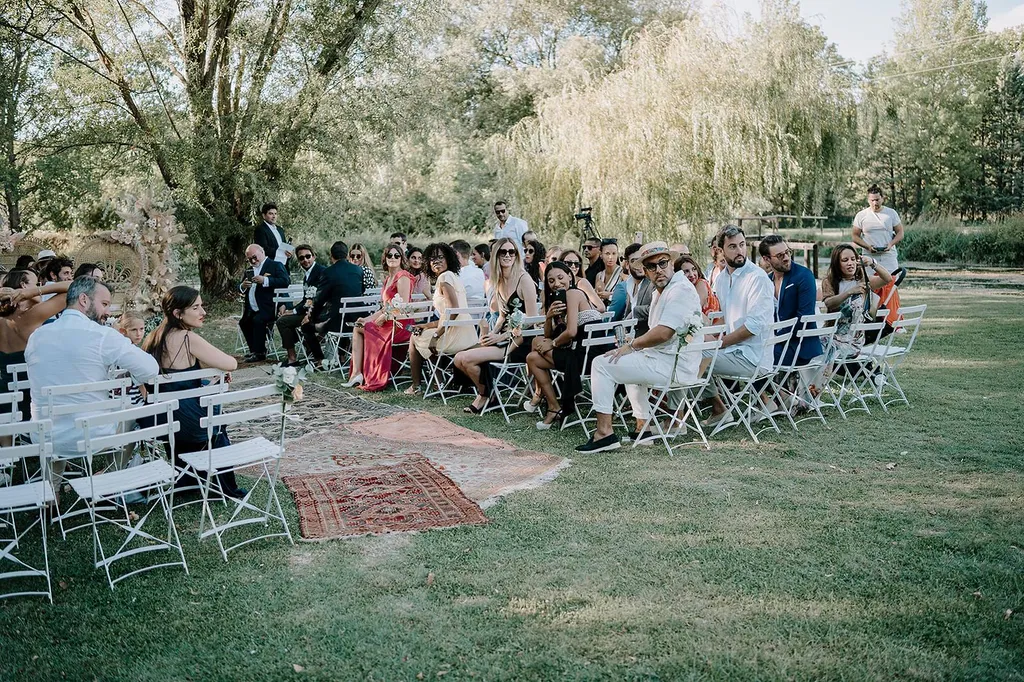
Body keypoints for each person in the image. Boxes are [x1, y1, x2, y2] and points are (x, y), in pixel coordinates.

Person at [26, 277, 158, 483]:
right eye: (104, 304)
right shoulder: (102, 335)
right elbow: (151, 370)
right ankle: (112, 478)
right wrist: (132, 378)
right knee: (131, 412)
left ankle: (52, 489)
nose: (107, 312)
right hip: (93, 436)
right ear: (84, 300)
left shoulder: (37, 336)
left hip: (44, 437)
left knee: (57, 422)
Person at [576, 242, 703, 453]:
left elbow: (664, 333)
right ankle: (643, 429)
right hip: (667, 360)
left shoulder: (679, 289)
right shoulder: (661, 291)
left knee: (600, 364)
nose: (658, 270)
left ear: (671, 264)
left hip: (674, 367)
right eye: (651, 266)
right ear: (645, 271)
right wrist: (633, 343)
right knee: (621, 361)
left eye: (662, 263)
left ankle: (604, 434)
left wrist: (632, 345)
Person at [142, 286, 244, 498]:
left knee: (201, 410)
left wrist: (210, 370)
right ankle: (224, 487)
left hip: (159, 419)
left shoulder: (153, 337)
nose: (203, 312)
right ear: (178, 313)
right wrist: (219, 370)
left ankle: (188, 478)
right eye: (196, 307)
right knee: (215, 419)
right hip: (189, 421)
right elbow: (231, 363)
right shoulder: (187, 338)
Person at [454, 237, 539, 412]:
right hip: (503, 336)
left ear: (516, 255)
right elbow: (502, 316)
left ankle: (485, 396)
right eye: (503, 252)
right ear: (496, 255)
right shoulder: (499, 280)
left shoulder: (524, 279)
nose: (507, 255)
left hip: (521, 341)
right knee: (458, 358)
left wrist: (502, 337)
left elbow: (532, 319)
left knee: (466, 359)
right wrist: (492, 333)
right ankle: (487, 394)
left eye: (511, 251)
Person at [706, 225, 775, 421]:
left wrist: (718, 343)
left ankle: (716, 410)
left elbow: (752, 328)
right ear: (720, 250)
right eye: (733, 246)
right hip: (733, 351)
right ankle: (717, 408)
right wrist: (702, 335)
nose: (740, 251)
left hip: (753, 357)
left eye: (742, 245)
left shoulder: (757, 278)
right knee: (690, 351)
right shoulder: (721, 279)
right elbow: (724, 318)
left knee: (692, 358)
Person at [526, 262, 603, 429]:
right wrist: (549, 317)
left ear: (569, 276)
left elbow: (571, 332)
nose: (556, 283)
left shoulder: (573, 293)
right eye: (551, 280)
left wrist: (552, 344)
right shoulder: (560, 299)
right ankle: (552, 406)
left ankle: (548, 403)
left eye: (560, 277)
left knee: (534, 353)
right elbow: (548, 335)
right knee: (533, 356)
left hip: (586, 357)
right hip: (581, 353)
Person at [405, 243, 478, 395]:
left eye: (440, 257)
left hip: (456, 336)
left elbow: (454, 312)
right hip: (467, 333)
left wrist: (436, 335)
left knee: (414, 338)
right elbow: (449, 315)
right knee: (422, 333)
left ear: (448, 259)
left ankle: (417, 386)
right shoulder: (452, 276)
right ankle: (438, 381)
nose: (436, 261)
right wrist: (427, 326)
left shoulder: (445, 278)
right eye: (432, 259)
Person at [0, 270, 73, 422]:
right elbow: (74, 288)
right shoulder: (31, 316)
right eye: (36, 284)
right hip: (31, 392)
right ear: (23, 286)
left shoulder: (4, 318)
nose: (39, 287)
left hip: (6, 393)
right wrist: (35, 292)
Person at [343, 245, 416, 390]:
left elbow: (403, 305)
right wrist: (367, 319)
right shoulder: (388, 279)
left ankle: (358, 374)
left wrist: (385, 316)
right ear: (385, 258)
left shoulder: (403, 277)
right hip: (388, 321)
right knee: (359, 325)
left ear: (401, 259)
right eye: (390, 255)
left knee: (359, 330)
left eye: (396, 255)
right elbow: (384, 307)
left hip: (399, 325)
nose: (393, 258)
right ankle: (357, 373)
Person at [821, 244, 893, 358]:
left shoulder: (862, 280)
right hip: (832, 332)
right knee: (812, 344)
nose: (850, 263)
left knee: (826, 347)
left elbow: (888, 279)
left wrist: (873, 263)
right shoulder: (829, 281)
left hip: (853, 339)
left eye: (853, 259)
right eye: (845, 260)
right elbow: (829, 303)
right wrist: (849, 292)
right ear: (836, 263)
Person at [303, 241, 365, 368]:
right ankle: (342, 356)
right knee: (342, 314)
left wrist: (311, 317)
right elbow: (362, 290)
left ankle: (320, 360)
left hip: (337, 323)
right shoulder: (358, 270)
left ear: (331, 256)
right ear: (347, 255)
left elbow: (319, 300)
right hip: (357, 320)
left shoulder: (328, 272)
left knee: (306, 327)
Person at [759, 235, 819, 365]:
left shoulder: (804, 275)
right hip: (775, 343)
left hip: (799, 346)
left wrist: (776, 338)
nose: (786, 258)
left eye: (787, 252)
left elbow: (805, 316)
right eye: (780, 256)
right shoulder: (767, 280)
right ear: (766, 259)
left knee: (758, 357)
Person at [852, 184, 905, 324]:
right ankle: (869, 318)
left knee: (891, 285)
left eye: (877, 199)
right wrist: (867, 246)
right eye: (872, 200)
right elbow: (855, 236)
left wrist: (890, 244)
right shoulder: (862, 215)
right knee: (869, 286)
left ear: (882, 198)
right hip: (869, 256)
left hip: (888, 256)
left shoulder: (891, 213)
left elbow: (900, 233)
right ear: (868, 200)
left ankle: (893, 320)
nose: (875, 203)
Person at [275, 244, 327, 366]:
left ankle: (293, 357)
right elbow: (306, 300)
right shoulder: (308, 274)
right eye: (301, 258)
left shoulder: (321, 272)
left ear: (314, 256)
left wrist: (295, 312)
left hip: (321, 313)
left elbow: (320, 299)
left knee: (282, 322)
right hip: (311, 311)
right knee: (284, 318)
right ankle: (305, 348)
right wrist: (290, 311)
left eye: (308, 256)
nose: (305, 260)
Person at [238, 243, 290, 363]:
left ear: (262, 252)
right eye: (249, 259)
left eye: (254, 257)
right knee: (244, 322)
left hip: (269, 306)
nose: (253, 261)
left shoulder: (275, 265)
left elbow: (285, 281)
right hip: (252, 307)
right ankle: (254, 350)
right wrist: (243, 286)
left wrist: (265, 280)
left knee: (258, 320)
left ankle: (260, 353)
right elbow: (240, 287)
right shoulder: (249, 270)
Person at [608, 243, 654, 332]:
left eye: (641, 261)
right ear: (627, 264)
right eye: (634, 261)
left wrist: (634, 311)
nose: (639, 266)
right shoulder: (628, 284)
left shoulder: (653, 283)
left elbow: (656, 309)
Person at [595, 239, 626, 305]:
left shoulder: (623, 273)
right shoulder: (599, 275)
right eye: (607, 253)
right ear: (601, 255)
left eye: (614, 253)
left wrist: (610, 295)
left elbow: (628, 295)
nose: (610, 257)